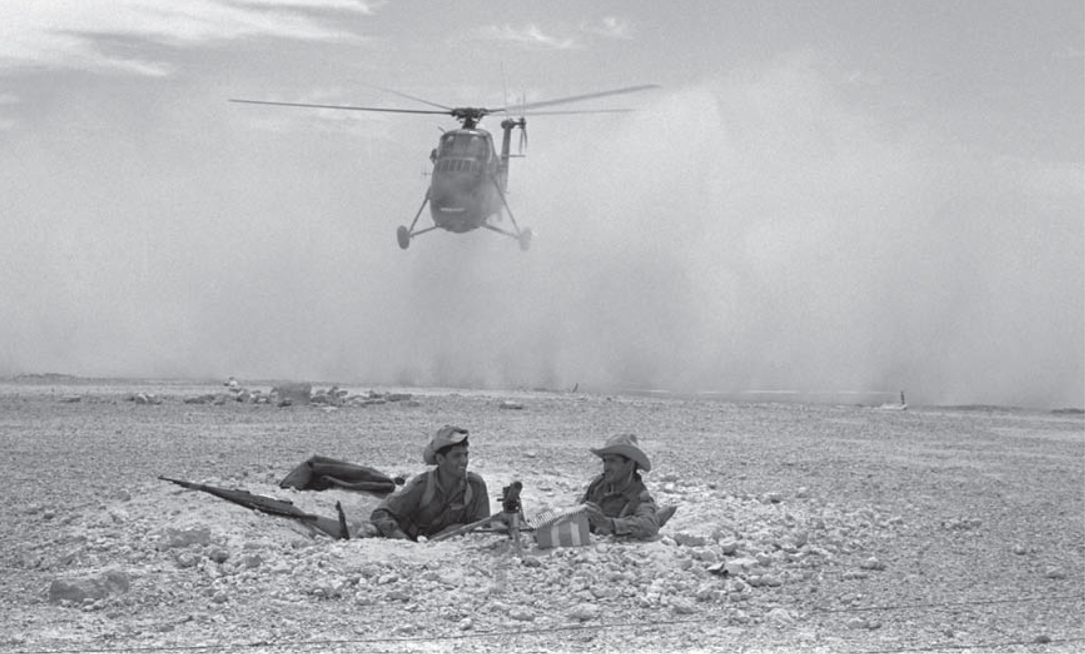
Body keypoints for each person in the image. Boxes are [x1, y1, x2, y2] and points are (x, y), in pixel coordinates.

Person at [368, 425, 490, 540]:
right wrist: (405, 542)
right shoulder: (422, 485)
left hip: (447, 547)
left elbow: (484, 526)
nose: (464, 461)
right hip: (411, 544)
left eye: (465, 455)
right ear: (440, 459)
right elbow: (380, 514)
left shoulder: (475, 485)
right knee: (368, 531)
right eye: (457, 456)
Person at [579, 433, 676, 540]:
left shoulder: (639, 496)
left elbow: (649, 526)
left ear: (630, 464)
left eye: (612, 461)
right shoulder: (599, 484)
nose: (606, 467)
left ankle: (657, 516)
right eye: (605, 461)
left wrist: (608, 523)